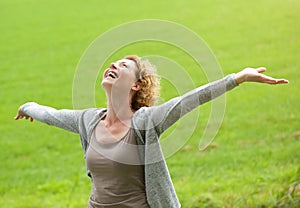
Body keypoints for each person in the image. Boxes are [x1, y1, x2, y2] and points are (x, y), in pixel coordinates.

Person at [15, 55, 288, 207]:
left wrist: (238, 78)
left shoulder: (144, 122)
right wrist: (28, 106)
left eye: (123, 66)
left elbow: (189, 100)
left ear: (136, 86)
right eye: (113, 63)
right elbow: (51, 115)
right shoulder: (88, 121)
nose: (113, 66)